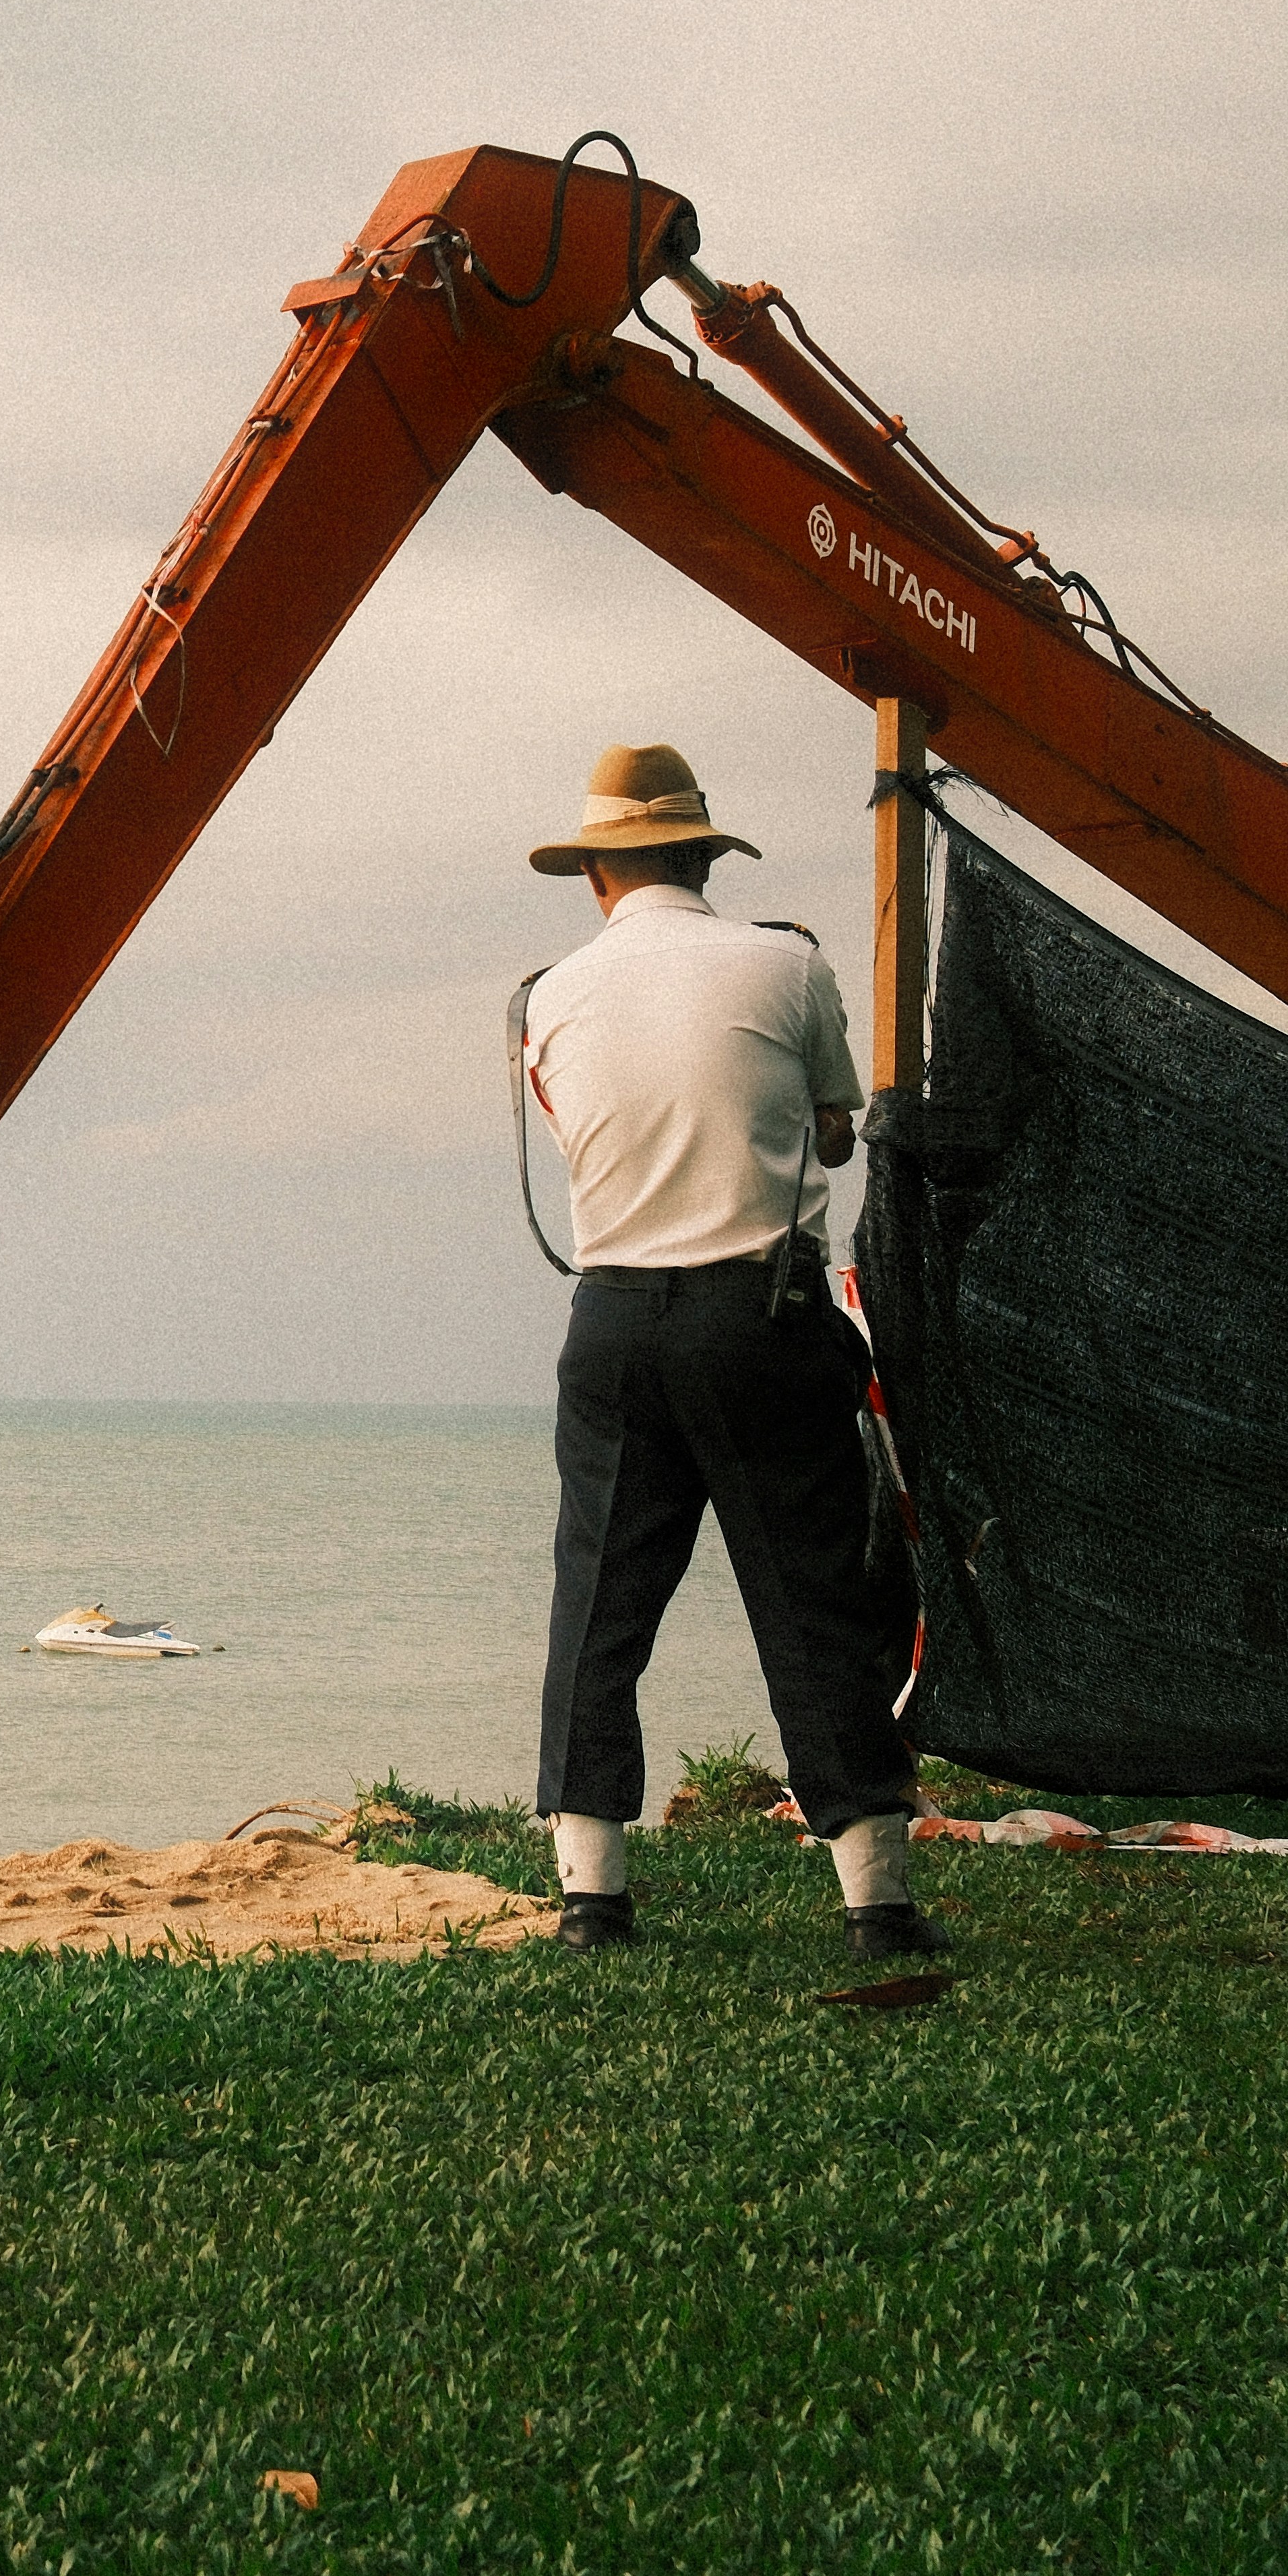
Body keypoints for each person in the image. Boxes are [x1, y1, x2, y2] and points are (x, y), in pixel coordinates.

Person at [514, 743, 932, 1959]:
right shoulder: (787, 962)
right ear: (704, 855)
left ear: (596, 874)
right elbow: (835, 1134)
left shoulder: (546, 995)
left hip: (610, 1316)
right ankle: (876, 1904)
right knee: (814, 1605)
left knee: (596, 1606)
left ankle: (590, 1898)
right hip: (756, 1311)